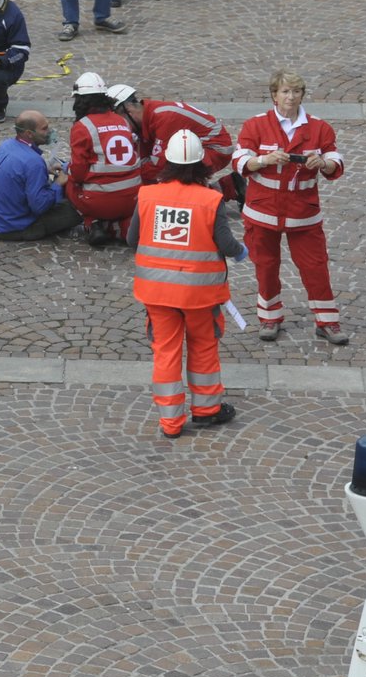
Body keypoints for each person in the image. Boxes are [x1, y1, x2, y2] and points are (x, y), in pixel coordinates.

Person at [129, 129, 245, 438]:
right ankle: (207, 410)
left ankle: (171, 423)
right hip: (200, 294)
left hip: (157, 293)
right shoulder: (210, 199)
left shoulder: (148, 195)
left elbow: (132, 239)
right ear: (202, 164)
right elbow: (225, 242)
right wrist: (240, 252)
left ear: (166, 161)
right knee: (203, 347)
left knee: (165, 353)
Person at [231, 70, 348, 345]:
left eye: (295, 92)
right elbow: (239, 161)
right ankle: (269, 318)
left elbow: (336, 163)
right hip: (263, 213)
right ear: (274, 95)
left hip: (303, 215)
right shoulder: (255, 125)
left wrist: (323, 163)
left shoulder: (320, 128)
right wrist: (264, 159)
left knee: (316, 266)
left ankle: (327, 322)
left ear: (302, 95)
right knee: (266, 266)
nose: (290, 97)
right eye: (285, 91)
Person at [0, 110, 83, 239]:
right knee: (80, 207)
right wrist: (58, 184)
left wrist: (44, 170)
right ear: (29, 134)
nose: (49, 132)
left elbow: (18, 174)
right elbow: (40, 206)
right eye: (44, 129)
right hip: (14, 228)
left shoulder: (6, 145)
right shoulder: (34, 162)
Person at [64, 72, 143, 245]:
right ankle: (121, 228)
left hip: (98, 201)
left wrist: (67, 172)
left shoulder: (82, 126)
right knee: (123, 211)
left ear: (79, 100)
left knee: (69, 184)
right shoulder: (122, 121)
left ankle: (92, 223)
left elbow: (77, 172)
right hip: (133, 198)